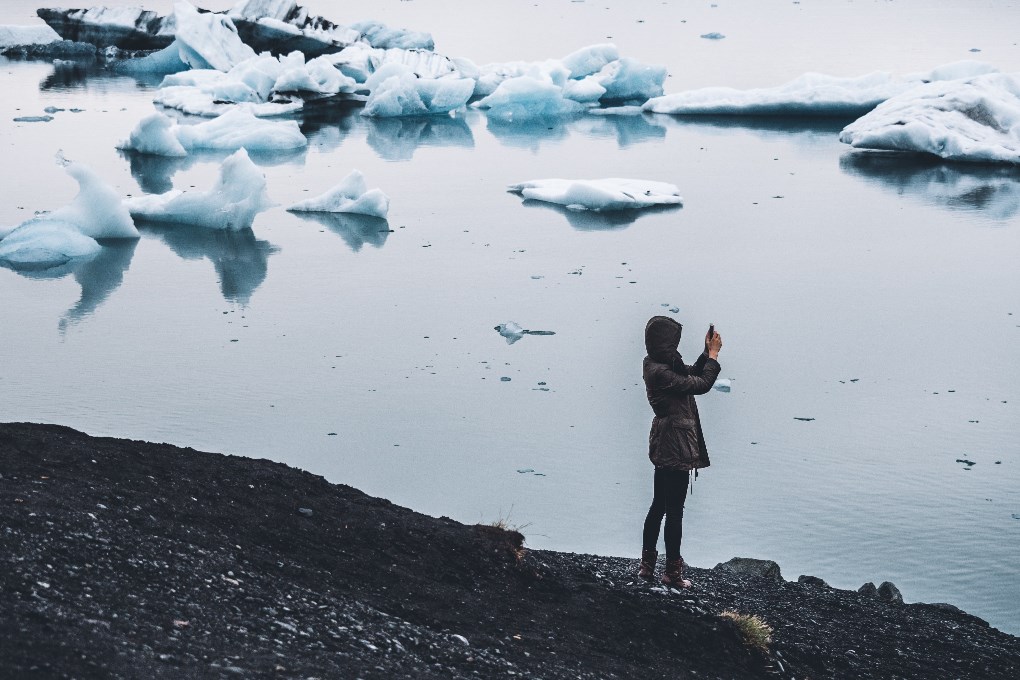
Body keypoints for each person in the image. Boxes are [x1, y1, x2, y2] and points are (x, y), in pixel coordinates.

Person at [638, 315, 722, 587]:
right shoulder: (660, 372)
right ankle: (672, 573)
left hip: (664, 443)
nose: (675, 346)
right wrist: (713, 356)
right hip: (676, 445)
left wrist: (704, 354)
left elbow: (689, 373)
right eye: (673, 341)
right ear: (665, 342)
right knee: (674, 511)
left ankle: (647, 567)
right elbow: (700, 384)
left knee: (658, 507)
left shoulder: (656, 363)